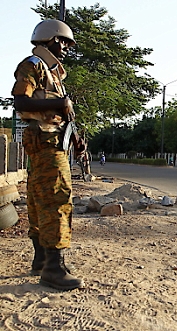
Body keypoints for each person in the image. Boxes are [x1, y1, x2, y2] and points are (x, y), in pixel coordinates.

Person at [11, 19, 86, 290]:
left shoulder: (53, 74)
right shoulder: (33, 65)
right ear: (50, 39)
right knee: (56, 200)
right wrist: (58, 102)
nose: (66, 47)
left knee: (39, 198)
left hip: (52, 141)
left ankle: (42, 260)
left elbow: (64, 115)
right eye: (63, 41)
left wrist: (76, 139)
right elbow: (20, 101)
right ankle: (54, 268)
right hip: (46, 142)